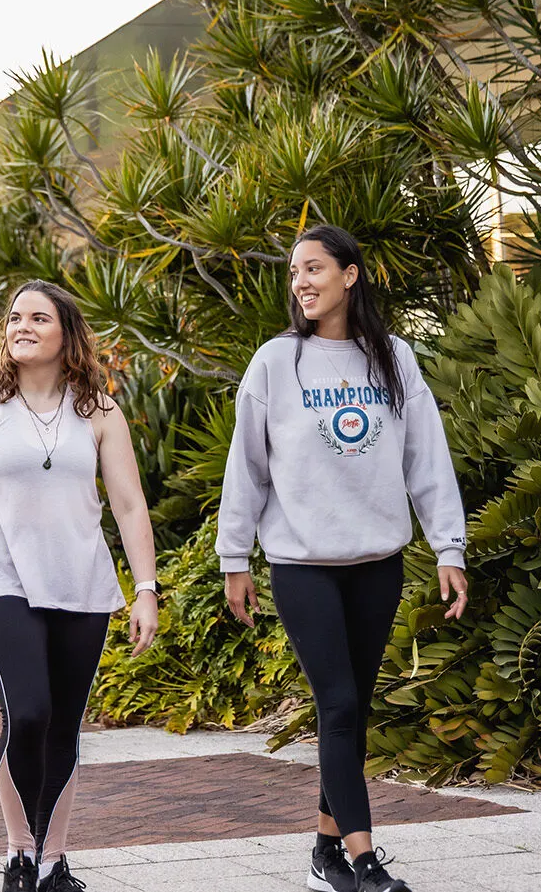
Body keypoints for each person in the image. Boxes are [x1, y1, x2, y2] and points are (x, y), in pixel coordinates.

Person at [217, 225, 469, 892]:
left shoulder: (393, 358)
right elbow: (246, 466)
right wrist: (233, 556)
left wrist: (448, 545)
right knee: (335, 702)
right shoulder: (276, 362)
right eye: (294, 272)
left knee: (353, 707)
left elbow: (426, 458)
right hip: (302, 564)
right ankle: (364, 861)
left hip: (376, 562)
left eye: (314, 268)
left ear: (349, 274)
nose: (300, 282)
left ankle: (325, 854)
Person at [0, 279, 159, 892]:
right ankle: (19, 850)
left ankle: (51, 862)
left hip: (82, 584)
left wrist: (146, 588)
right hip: (4, 583)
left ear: (66, 333)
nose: (21, 326)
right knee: (27, 713)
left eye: (38, 318)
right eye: (14, 317)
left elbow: (130, 505)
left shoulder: (100, 412)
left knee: (63, 726)